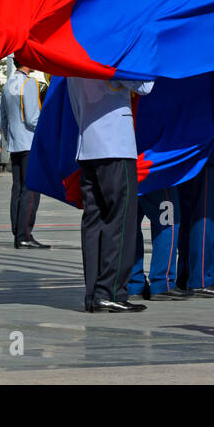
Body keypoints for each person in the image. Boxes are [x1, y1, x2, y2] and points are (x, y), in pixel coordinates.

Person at [69, 75, 155, 313]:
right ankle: (112, 291)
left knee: (94, 222)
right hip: (116, 145)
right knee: (121, 220)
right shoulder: (113, 52)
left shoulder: (74, 59)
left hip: (88, 145)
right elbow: (146, 86)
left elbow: (75, 104)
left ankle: (94, 293)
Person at [177, 102, 214, 296]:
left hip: (190, 159)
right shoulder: (206, 85)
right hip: (208, 157)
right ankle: (204, 277)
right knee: (207, 219)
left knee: (189, 220)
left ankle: (187, 274)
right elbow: (213, 123)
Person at [0, 61, 47, 249]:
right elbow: (33, 118)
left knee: (17, 189)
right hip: (29, 142)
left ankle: (17, 231)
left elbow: (2, 117)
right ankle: (25, 234)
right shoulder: (30, 84)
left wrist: (9, 137)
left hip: (15, 143)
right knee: (31, 190)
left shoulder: (8, 83)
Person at [129, 186, 187, 300]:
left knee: (130, 226)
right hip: (157, 176)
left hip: (128, 174)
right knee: (167, 222)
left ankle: (133, 283)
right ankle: (162, 282)